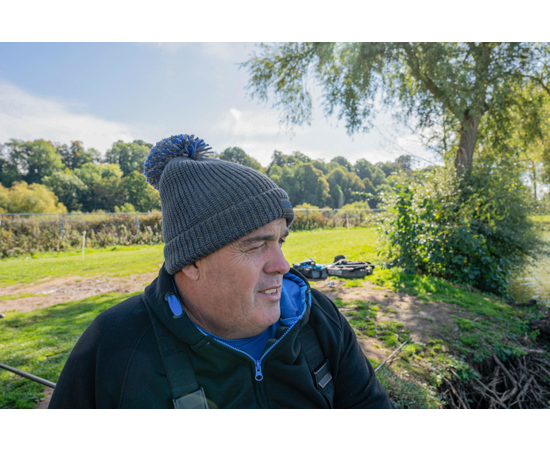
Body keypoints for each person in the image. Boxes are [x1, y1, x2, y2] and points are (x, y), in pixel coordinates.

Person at [48, 134, 393, 409]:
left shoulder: (317, 319)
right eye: (256, 245)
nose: (283, 265)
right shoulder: (113, 346)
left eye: (280, 241)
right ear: (191, 262)